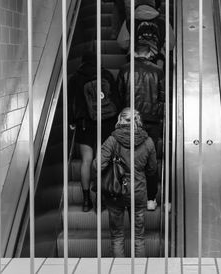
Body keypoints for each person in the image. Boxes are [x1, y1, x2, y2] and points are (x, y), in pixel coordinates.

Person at [92, 108, 158, 257]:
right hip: (138, 192)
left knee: (117, 236)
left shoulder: (112, 140)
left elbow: (97, 165)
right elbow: (152, 169)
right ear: (138, 120)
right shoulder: (148, 141)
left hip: (115, 192)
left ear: (121, 120)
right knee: (139, 237)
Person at [69, 51, 120, 212]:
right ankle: (101, 200)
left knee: (86, 161)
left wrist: (72, 121)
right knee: (102, 161)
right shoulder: (107, 75)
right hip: (106, 124)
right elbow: (116, 99)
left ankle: (86, 202)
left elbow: (72, 102)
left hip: (85, 124)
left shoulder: (76, 77)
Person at [117, 40, 164, 210]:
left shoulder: (124, 69)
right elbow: (163, 97)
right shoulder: (158, 71)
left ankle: (129, 197)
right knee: (150, 160)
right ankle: (151, 199)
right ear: (149, 54)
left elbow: (119, 95)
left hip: (130, 120)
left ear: (134, 53)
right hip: (152, 122)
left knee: (128, 159)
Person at [116, 0, 175, 68]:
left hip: (135, 61)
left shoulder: (129, 21)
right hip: (158, 62)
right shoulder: (163, 22)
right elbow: (170, 45)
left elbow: (122, 43)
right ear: (154, 5)